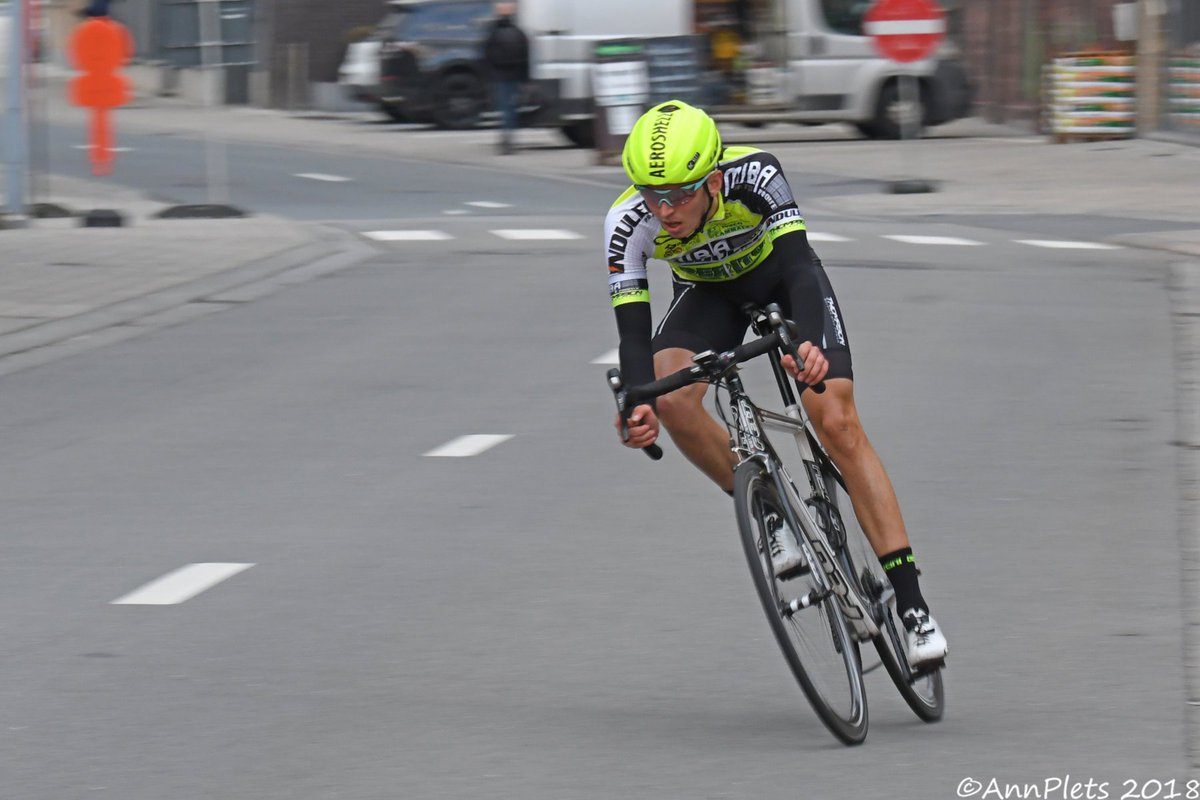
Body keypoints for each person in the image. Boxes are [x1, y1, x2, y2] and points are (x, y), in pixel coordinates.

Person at [603, 100, 948, 668]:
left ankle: (912, 606)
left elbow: (798, 267)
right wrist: (636, 403)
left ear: (713, 180)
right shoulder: (626, 223)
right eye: (651, 194)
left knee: (836, 421)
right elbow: (634, 333)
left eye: (681, 195)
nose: (664, 210)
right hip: (708, 295)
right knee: (669, 394)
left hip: (782, 282)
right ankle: (770, 513)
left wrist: (807, 342)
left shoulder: (756, 173)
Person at [481, 2, 530, 155]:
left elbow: (487, 55)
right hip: (515, 76)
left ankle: (505, 138)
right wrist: (526, 80)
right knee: (512, 109)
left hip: (499, 76)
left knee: (504, 109)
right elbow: (525, 57)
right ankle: (511, 138)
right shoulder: (519, 32)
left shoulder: (493, 33)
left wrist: (487, 75)